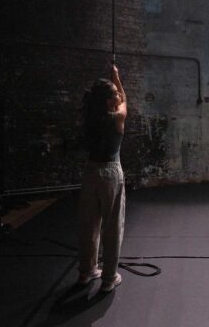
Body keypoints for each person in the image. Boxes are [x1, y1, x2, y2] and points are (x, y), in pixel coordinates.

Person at [77, 64, 127, 293]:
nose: (118, 95)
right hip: (110, 174)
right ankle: (109, 277)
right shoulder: (117, 117)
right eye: (114, 95)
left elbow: (117, 97)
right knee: (112, 226)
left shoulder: (90, 118)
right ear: (109, 101)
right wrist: (116, 77)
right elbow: (126, 100)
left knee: (90, 224)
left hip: (90, 173)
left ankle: (87, 271)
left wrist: (112, 83)